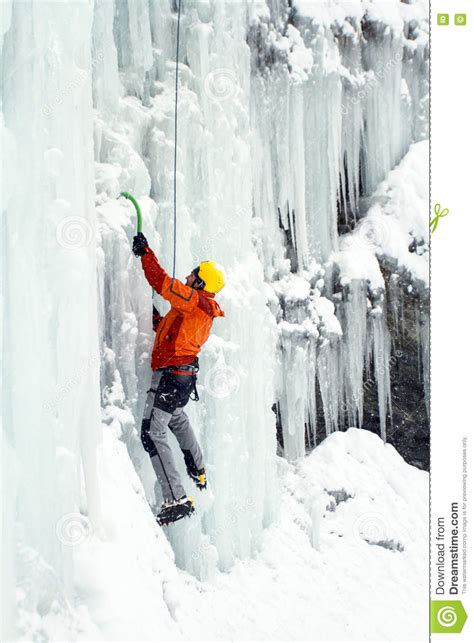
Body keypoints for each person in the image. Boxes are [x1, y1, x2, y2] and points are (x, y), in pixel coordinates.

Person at [132, 232, 225, 525]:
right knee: (175, 418)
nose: (187, 276)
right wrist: (148, 315)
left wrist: (145, 252)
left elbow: (161, 281)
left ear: (201, 283)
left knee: (151, 432)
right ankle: (197, 468)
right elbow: (170, 333)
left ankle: (177, 498)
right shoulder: (200, 310)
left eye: (193, 274)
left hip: (171, 378)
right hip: (182, 379)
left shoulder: (192, 300)